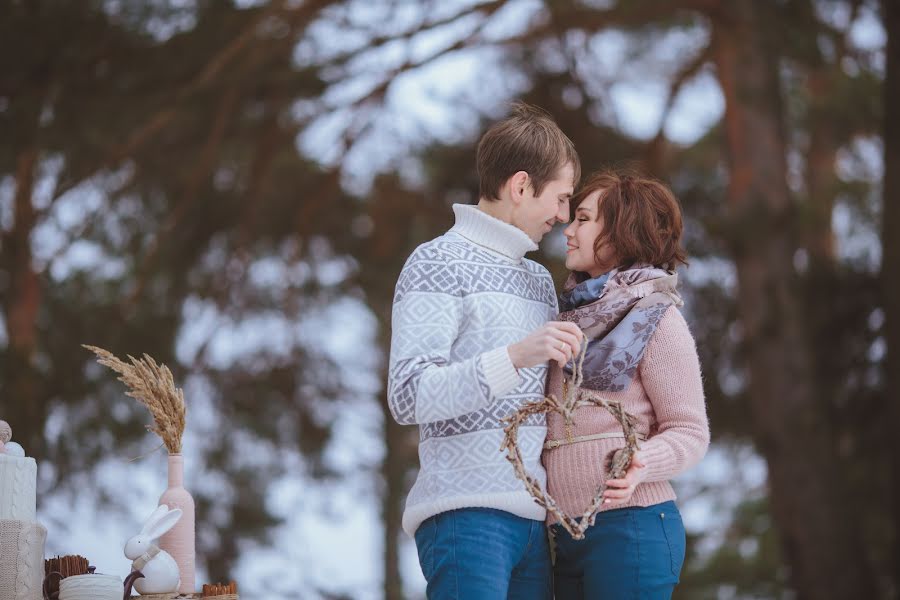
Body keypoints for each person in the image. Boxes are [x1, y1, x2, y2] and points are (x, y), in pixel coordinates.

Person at [387, 102, 583, 599]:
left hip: (534, 524)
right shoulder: (436, 261)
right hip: (464, 515)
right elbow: (407, 395)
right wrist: (514, 356)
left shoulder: (539, 281)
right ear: (520, 186)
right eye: (560, 198)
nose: (562, 216)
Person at [543, 170, 710, 599]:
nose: (568, 229)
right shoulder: (562, 318)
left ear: (620, 234)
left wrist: (642, 461)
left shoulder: (657, 317)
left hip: (632, 526)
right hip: (559, 534)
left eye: (582, 219)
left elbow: (691, 432)